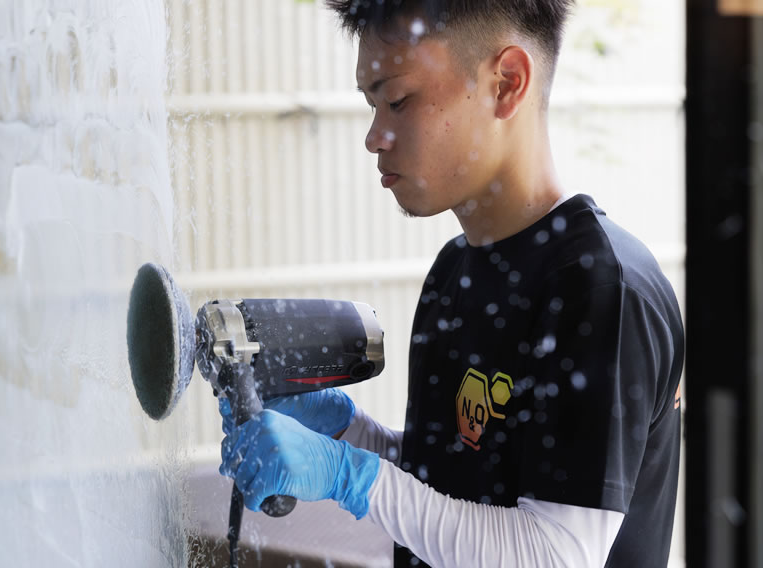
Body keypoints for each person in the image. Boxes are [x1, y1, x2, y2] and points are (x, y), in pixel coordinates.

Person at [219, 1, 685, 566]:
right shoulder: (454, 271)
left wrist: (350, 477)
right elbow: (446, 487)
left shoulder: (600, 287)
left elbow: (555, 553)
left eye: (397, 100)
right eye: (372, 105)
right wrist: (345, 434)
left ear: (507, 84)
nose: (373, 136)